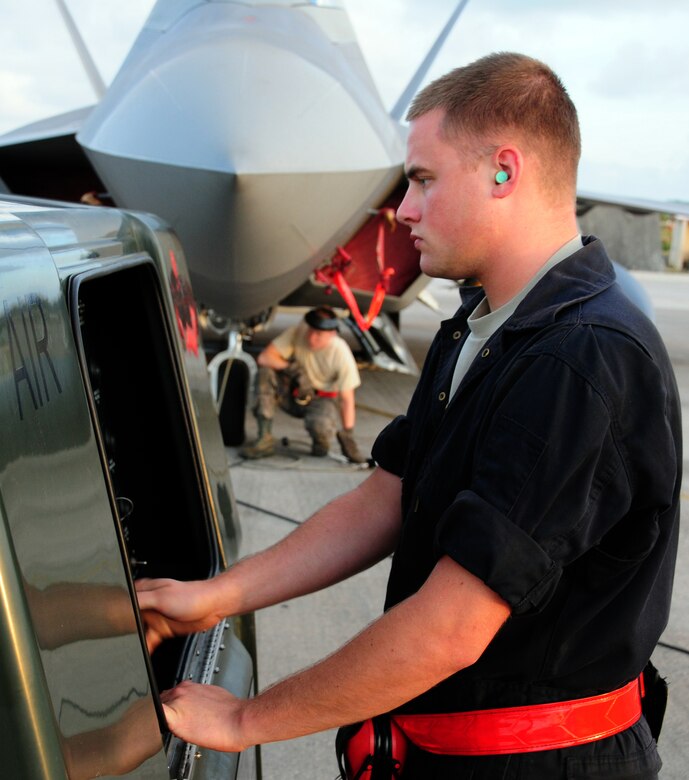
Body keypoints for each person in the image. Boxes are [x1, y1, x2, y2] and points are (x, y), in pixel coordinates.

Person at [136, 52, 681, 778]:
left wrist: (243, 719)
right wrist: (214, 597)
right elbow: (386, 495)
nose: (403, 209)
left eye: (423, 179)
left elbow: (450, 629)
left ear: (503, 172)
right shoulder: (479, 324)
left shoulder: (579, 359)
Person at [240, 305, 367, 463]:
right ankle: (264, 438)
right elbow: (264, 358)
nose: (312, 338)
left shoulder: (341, 353)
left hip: (320, 400)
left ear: (332, 334)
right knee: (265, 374)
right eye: (311, 330)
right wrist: (293, 369)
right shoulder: (298, 332)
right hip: (294, 392)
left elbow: (347, 399)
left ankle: (321, 442)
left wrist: (348, 434)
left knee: (320, 429)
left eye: (319, 334)